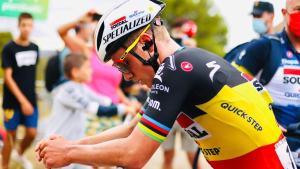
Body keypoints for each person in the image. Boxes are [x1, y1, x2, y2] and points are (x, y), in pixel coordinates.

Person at [35, 0, 296, 168]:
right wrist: (75, 144)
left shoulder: (177, 70)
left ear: (147, 43)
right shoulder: (181, 64)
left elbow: (133, 155)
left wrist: (68, 153)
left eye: (123, 64)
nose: (125, 76)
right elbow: (133, 129)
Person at [233, 0, 300, 167]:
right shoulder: (266, 45)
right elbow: (230, 85)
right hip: (272, 147)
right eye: (298, 10)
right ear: (285, 13)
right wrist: (262, 119)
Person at [44, 53, 135, 169]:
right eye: (87, 67)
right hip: (58, 145)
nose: (91, 71)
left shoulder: (80, 87)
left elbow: (104, 101)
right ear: (75, 72)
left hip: (73, 145)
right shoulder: (68, 90)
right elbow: (97, 109)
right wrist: (124, 109)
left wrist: (128, 104)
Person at [1, 12, 39, 169]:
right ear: (19, 26)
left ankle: (20, 154)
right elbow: (8, 78)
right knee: (11, 135)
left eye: (29, 25)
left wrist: (28, 99)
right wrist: (22, 101)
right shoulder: (9, 48)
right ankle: (4, 165)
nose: (27, 28)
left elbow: (29, 76)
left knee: (32, 133)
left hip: (31, 99)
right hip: (12, 101)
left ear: (32, 27)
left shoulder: (35, 48)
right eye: (24, 25)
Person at [162, 18, 199, 169]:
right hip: (168, 111)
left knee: (193, 158)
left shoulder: (192, 48)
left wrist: (192, 50)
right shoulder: (163, 47)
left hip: (188, 112)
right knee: (168, 156)